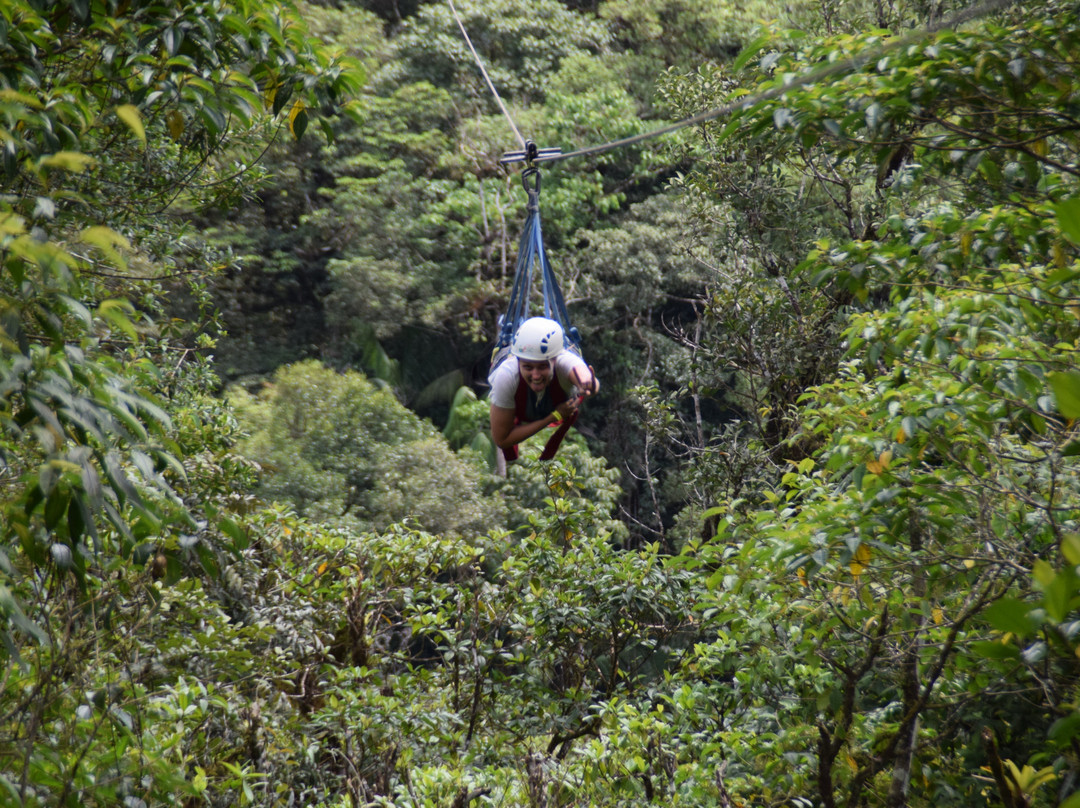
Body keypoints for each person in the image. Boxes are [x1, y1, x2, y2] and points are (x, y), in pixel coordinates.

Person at [489, 316, 598, 466]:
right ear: (518, 361)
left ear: (555, 360)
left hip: (547, 400)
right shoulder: (506, 376)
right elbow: (502, 439)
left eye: (542, 367)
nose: (535, 375)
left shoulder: (563, 361)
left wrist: (589, 384)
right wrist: (553, 416)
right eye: (528, 367)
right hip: (524, 407)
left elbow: (581, 373)